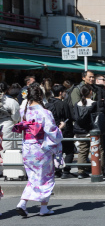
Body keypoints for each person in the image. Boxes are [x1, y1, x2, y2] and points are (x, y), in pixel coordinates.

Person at [12, 84, 62, 217]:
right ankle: (37, 206)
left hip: (27, 147)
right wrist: (60, 129)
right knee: (46, 177)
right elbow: (52, 132)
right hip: (40, 147)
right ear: (41, 96)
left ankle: (28, 204)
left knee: (33, 177)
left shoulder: (24, 111)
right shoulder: (45, 112)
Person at [72, 84, 105, 178]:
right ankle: (99, 170)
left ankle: (81, 172)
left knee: (82, 151)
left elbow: (75, 117)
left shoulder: (77, 104)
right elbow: (97, 116)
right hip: (92, 131)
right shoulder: (94, 103)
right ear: (90, 92)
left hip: (80, 131)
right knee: (99, 150)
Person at [45, 84, 75, 178]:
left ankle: (57, 171)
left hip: (52, 131)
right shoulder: (63, 104)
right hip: (65, 131)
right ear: (61, 93)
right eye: (64, 92)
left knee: (57, 151)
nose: (65, 94)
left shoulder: (48, 104)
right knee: (70, 151)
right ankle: (66, 172)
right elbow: (70, 117)